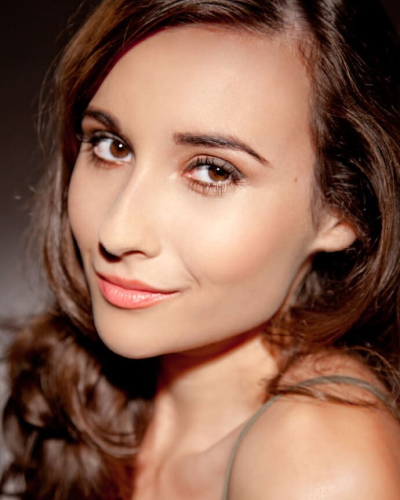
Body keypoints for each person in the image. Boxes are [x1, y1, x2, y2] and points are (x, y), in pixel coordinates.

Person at [2, 0, 400, 498]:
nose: (116, 232)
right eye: (110, 145)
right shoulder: (95, 395)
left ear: (342, 209)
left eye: (213, 170)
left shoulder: (321, 459)